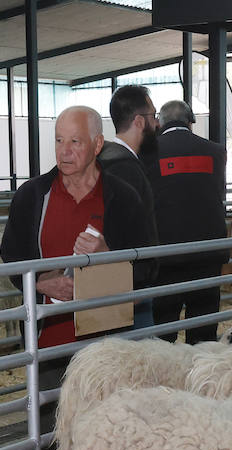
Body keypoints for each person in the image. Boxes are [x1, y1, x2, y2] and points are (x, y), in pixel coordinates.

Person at [0, 105, 155, 445]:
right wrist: (40, 283)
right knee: (51, 436)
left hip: (106, 341)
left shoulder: (123, 198)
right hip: (47, 338)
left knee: (106, 434)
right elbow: (10, 256)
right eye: (58, 141)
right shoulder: (32, 196)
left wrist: (106, 255)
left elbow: (148, 267)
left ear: (97, 144)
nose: (64, 151)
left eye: (75, 141)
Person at [146, 99, 229, 344]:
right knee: (203, 328)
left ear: (159, 123)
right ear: (190, 122)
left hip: (166, 255)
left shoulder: (148, 153)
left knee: (164, 328)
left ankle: (166, 376)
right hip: (207, 253)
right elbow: (218, 192)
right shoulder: (216, 151)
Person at [98, 85, 160, 327]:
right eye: (153, 116)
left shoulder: (109, 159)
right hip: (128, 290)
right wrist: (132, 280)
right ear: (139, 121)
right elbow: (118, 231)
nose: (157, 124)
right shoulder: (123, 168)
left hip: (125, 282)